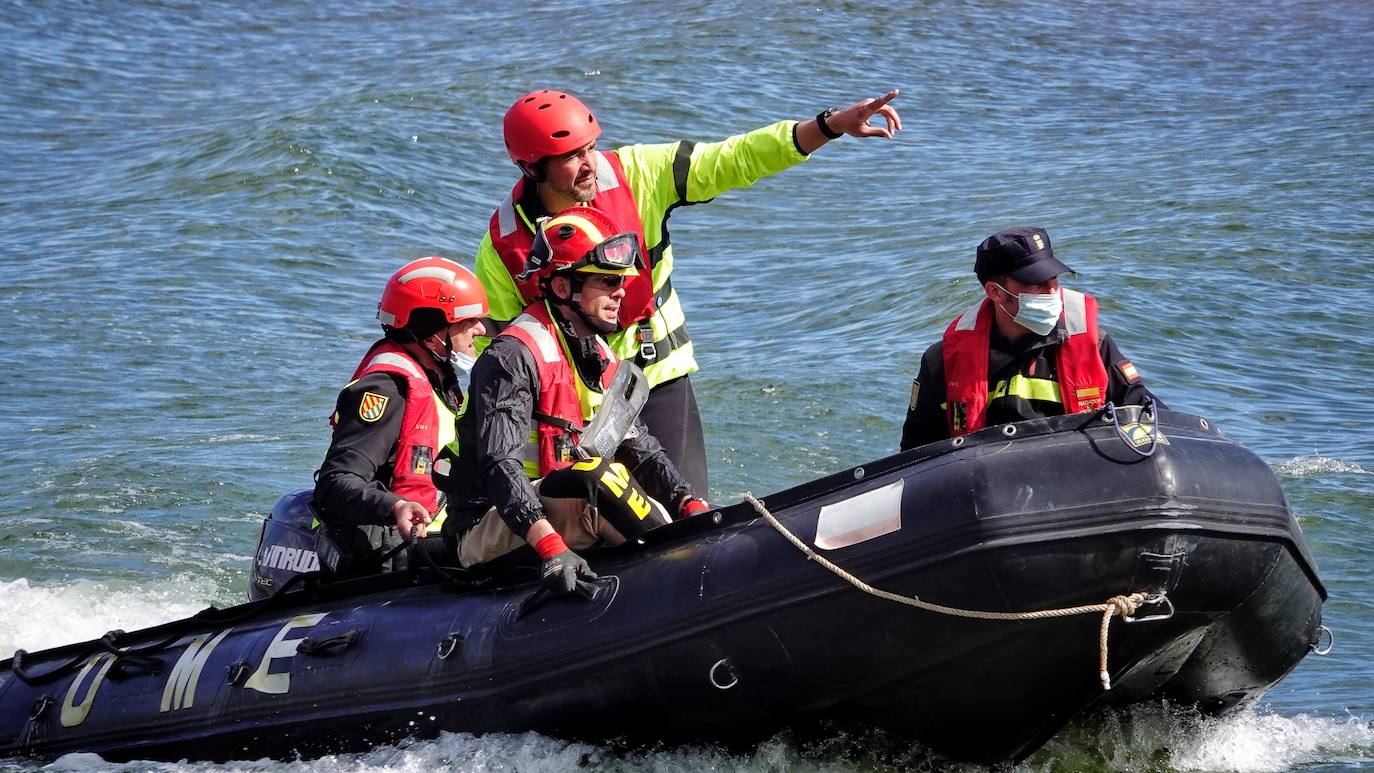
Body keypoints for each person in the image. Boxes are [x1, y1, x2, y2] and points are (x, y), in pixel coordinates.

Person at [477, 87, 903, 499]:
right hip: (575, 403)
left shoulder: (639, 173)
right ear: (532, 168)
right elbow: (498, 357)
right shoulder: (503, 245)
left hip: (656, 374)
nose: (589, 163)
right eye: (571, 157)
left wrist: (828, 126)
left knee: (686, 513)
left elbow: (737, 158)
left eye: (590, 147)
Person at [445, 207, 709, 596]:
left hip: (560, 501)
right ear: (564, 287)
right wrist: (551, 549)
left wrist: (688, 503)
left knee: (616, 478)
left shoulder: (599, 353)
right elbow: (502, 468)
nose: (621, 291)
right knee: (596, 477)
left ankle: (694, 555)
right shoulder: (512, 357)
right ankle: (687, 581)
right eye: (607, 281)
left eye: (620, 280)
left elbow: (640, 448)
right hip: (489, 524)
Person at [900, 226, 1162, 451]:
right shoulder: (941, 362)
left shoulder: (1096, 345)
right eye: (1037, 283)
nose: (1053, 292)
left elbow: (1148, 413)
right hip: (984, 492)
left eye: (1054, 279)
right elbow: (915, 453)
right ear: (995, 291)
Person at [313, 256, 489, 575]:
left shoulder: (439, 379)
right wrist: (395, 507)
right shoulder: (386, 389)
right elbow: (335, 484)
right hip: (398, 552)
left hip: (441, 534)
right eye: (468, 320)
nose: (480, 329)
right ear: (430, 327)